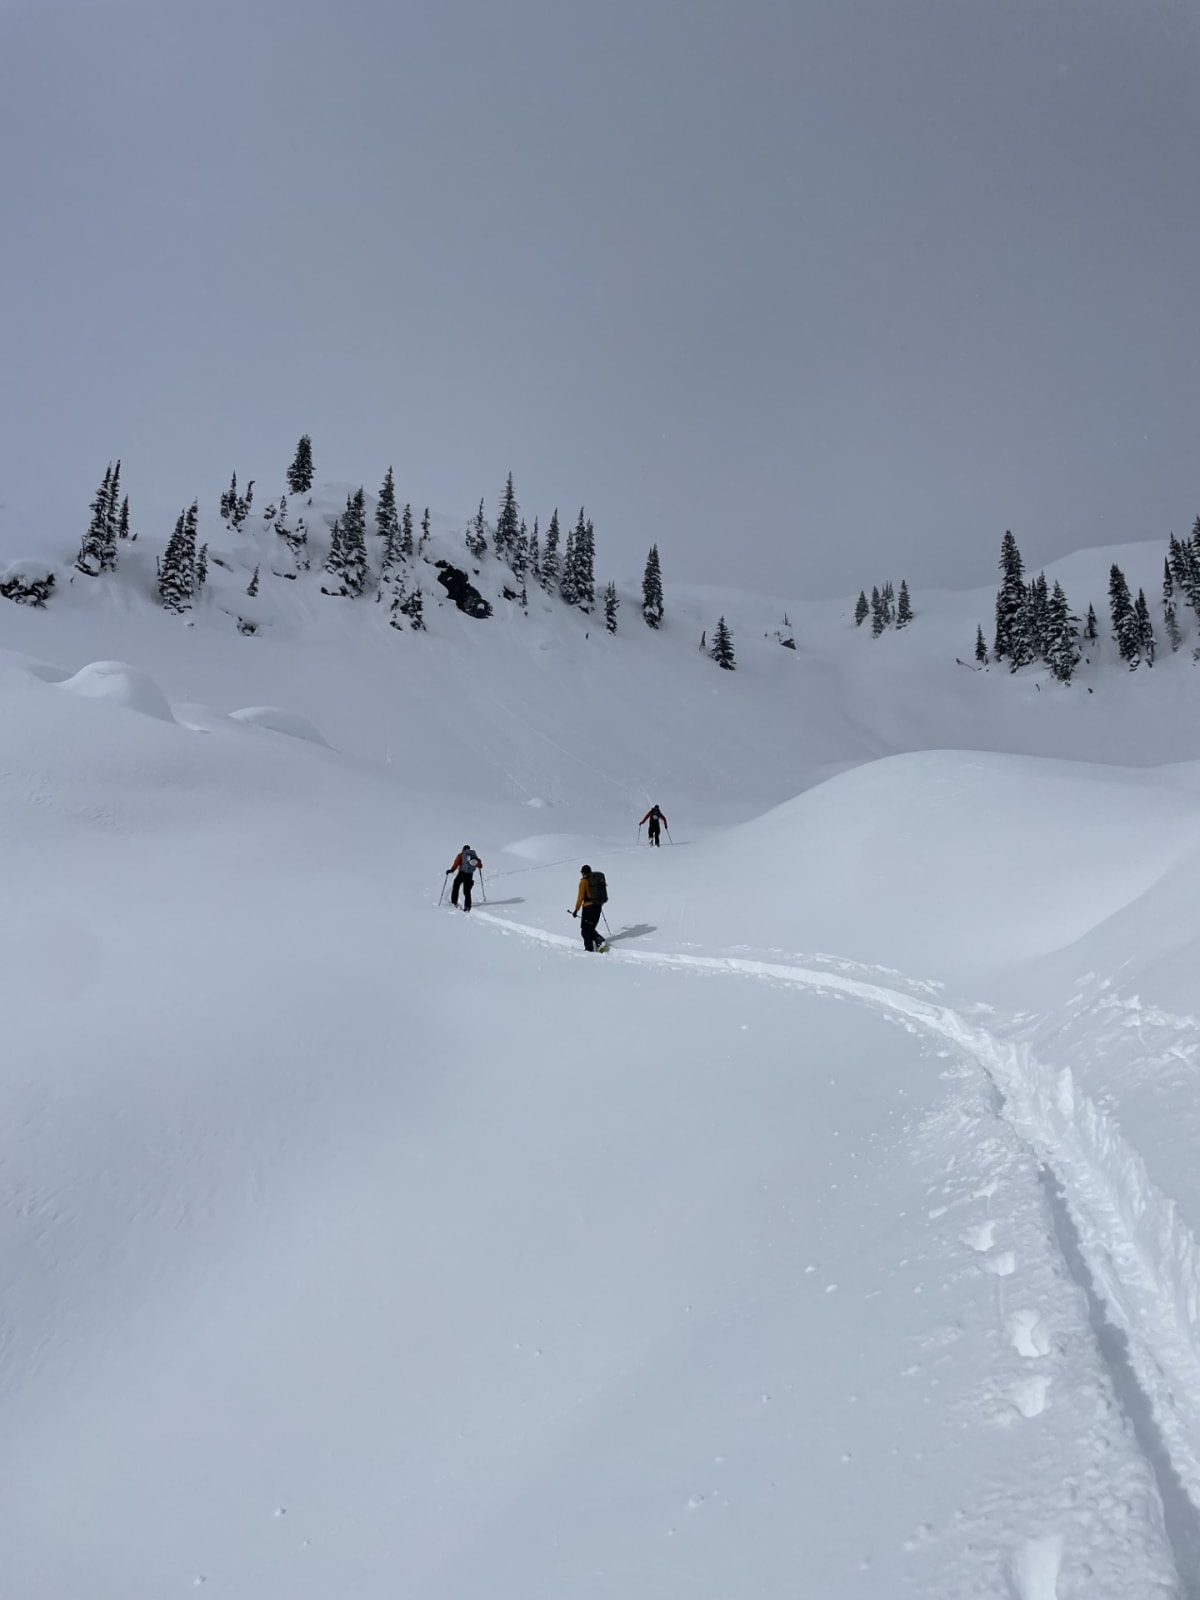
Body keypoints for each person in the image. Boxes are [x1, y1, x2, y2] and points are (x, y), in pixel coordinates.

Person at [571, 864, 608, 952]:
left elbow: (580, 897)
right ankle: (600, 942)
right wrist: (598, 905)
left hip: (588, 908)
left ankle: (589, 949)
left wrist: (576, 910)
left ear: (583, 872)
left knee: (585, 931)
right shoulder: (595, 881)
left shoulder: (584, 881)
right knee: (590, 928)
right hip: (597, 906)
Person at [446, 844, 483, 911]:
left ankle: (454, 902)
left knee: (456, 886)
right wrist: (479, 862)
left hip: (461, 874)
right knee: (467, 891)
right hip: (469, 875)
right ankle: (467, 907)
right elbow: (480, 866)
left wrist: (451, 870)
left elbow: (456, 864)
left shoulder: (461, 855)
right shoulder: (473, 856)